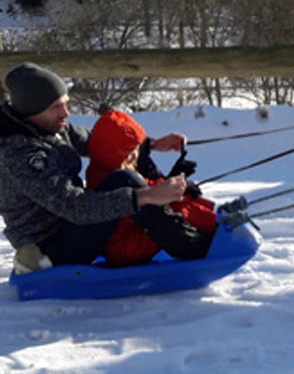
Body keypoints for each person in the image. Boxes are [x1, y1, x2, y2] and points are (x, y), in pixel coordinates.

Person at [0, 62, 211, 275]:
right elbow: (74, 205)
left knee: (128, 167)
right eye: (56, 107)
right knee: (124, 180)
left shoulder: (47, 125)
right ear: (31, 110)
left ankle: (181, 216)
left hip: (70, 224)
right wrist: (144, 196)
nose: (66, 113)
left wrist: (149, 145)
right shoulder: (20, 154)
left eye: (66, 103)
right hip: (50, 245)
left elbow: (100, 143)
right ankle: (192, 246)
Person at [85, 108, 216, 266]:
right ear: (113, 153)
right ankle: (213, 231)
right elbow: (146, 192)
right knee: (177, 208)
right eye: (129, 152)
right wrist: (173, 188)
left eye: (136, 150)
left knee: (175, 201)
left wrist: (175, 185)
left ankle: (213, 219)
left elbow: (148, 186)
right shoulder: (111, 178)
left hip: (128, 234)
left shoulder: (106, 166)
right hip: (123, 247)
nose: (135, 156)